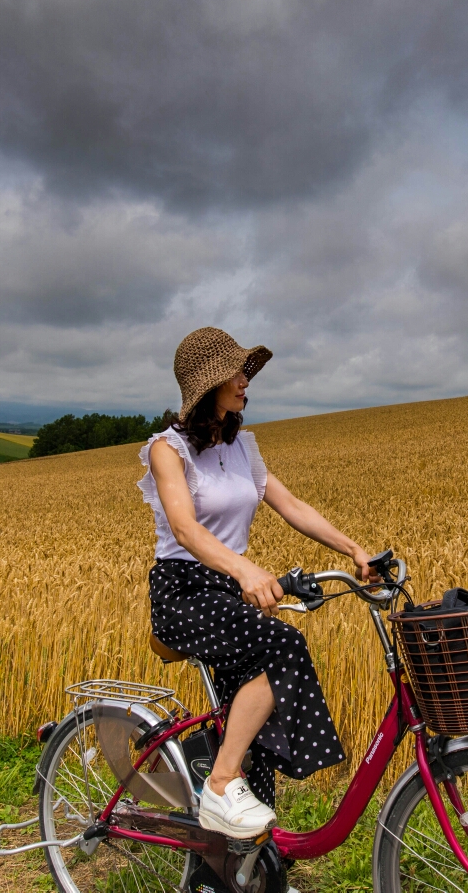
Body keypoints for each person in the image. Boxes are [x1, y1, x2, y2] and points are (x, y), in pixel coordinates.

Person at [138, 327, 373, 839]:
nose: (246, 380)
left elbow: (292, 507)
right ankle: (219, 785)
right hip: (185, 590)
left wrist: (354, 549)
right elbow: (185, 528)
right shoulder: (167, 449)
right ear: (209, 383)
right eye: (236, 372)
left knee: (254, 743)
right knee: (283, 645)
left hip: (227, 593)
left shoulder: (243, 446)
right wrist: (243, 568)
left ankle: (241, 865)